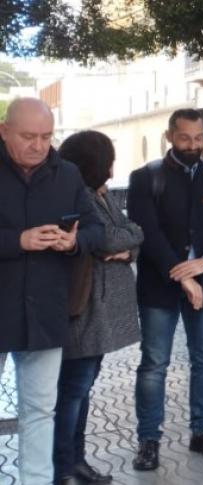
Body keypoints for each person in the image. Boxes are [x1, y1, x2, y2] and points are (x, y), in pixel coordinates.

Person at [128, 108, 203, 471]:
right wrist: (184, 275)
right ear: (169, 137)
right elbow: (147, 233)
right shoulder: (145, 178)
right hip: (160, 285)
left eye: (198, 139)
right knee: (154, 365)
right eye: (184, 138)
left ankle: (202, 431)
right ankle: (149, 440)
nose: (192, 146)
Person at [0, 98, 102, 484]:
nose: (38, 145)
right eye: (28, 136)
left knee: (40, 411)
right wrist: (18, 241)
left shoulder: (68, 174)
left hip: (45, 313)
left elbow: (95, 230)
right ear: (4, 131)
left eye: (46, 136)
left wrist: (72, 243)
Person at [54, 130, 142, 485]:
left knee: (82, 387)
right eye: (108, 157)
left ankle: (76, 462)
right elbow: (109, 237)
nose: (112, 165)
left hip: (103, 307)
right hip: (86, 306)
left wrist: (127, 248)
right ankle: (63, 467)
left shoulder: (99, 194)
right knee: (73, 390)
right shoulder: (80, 195)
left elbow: (130, 232)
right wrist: (125, 241)